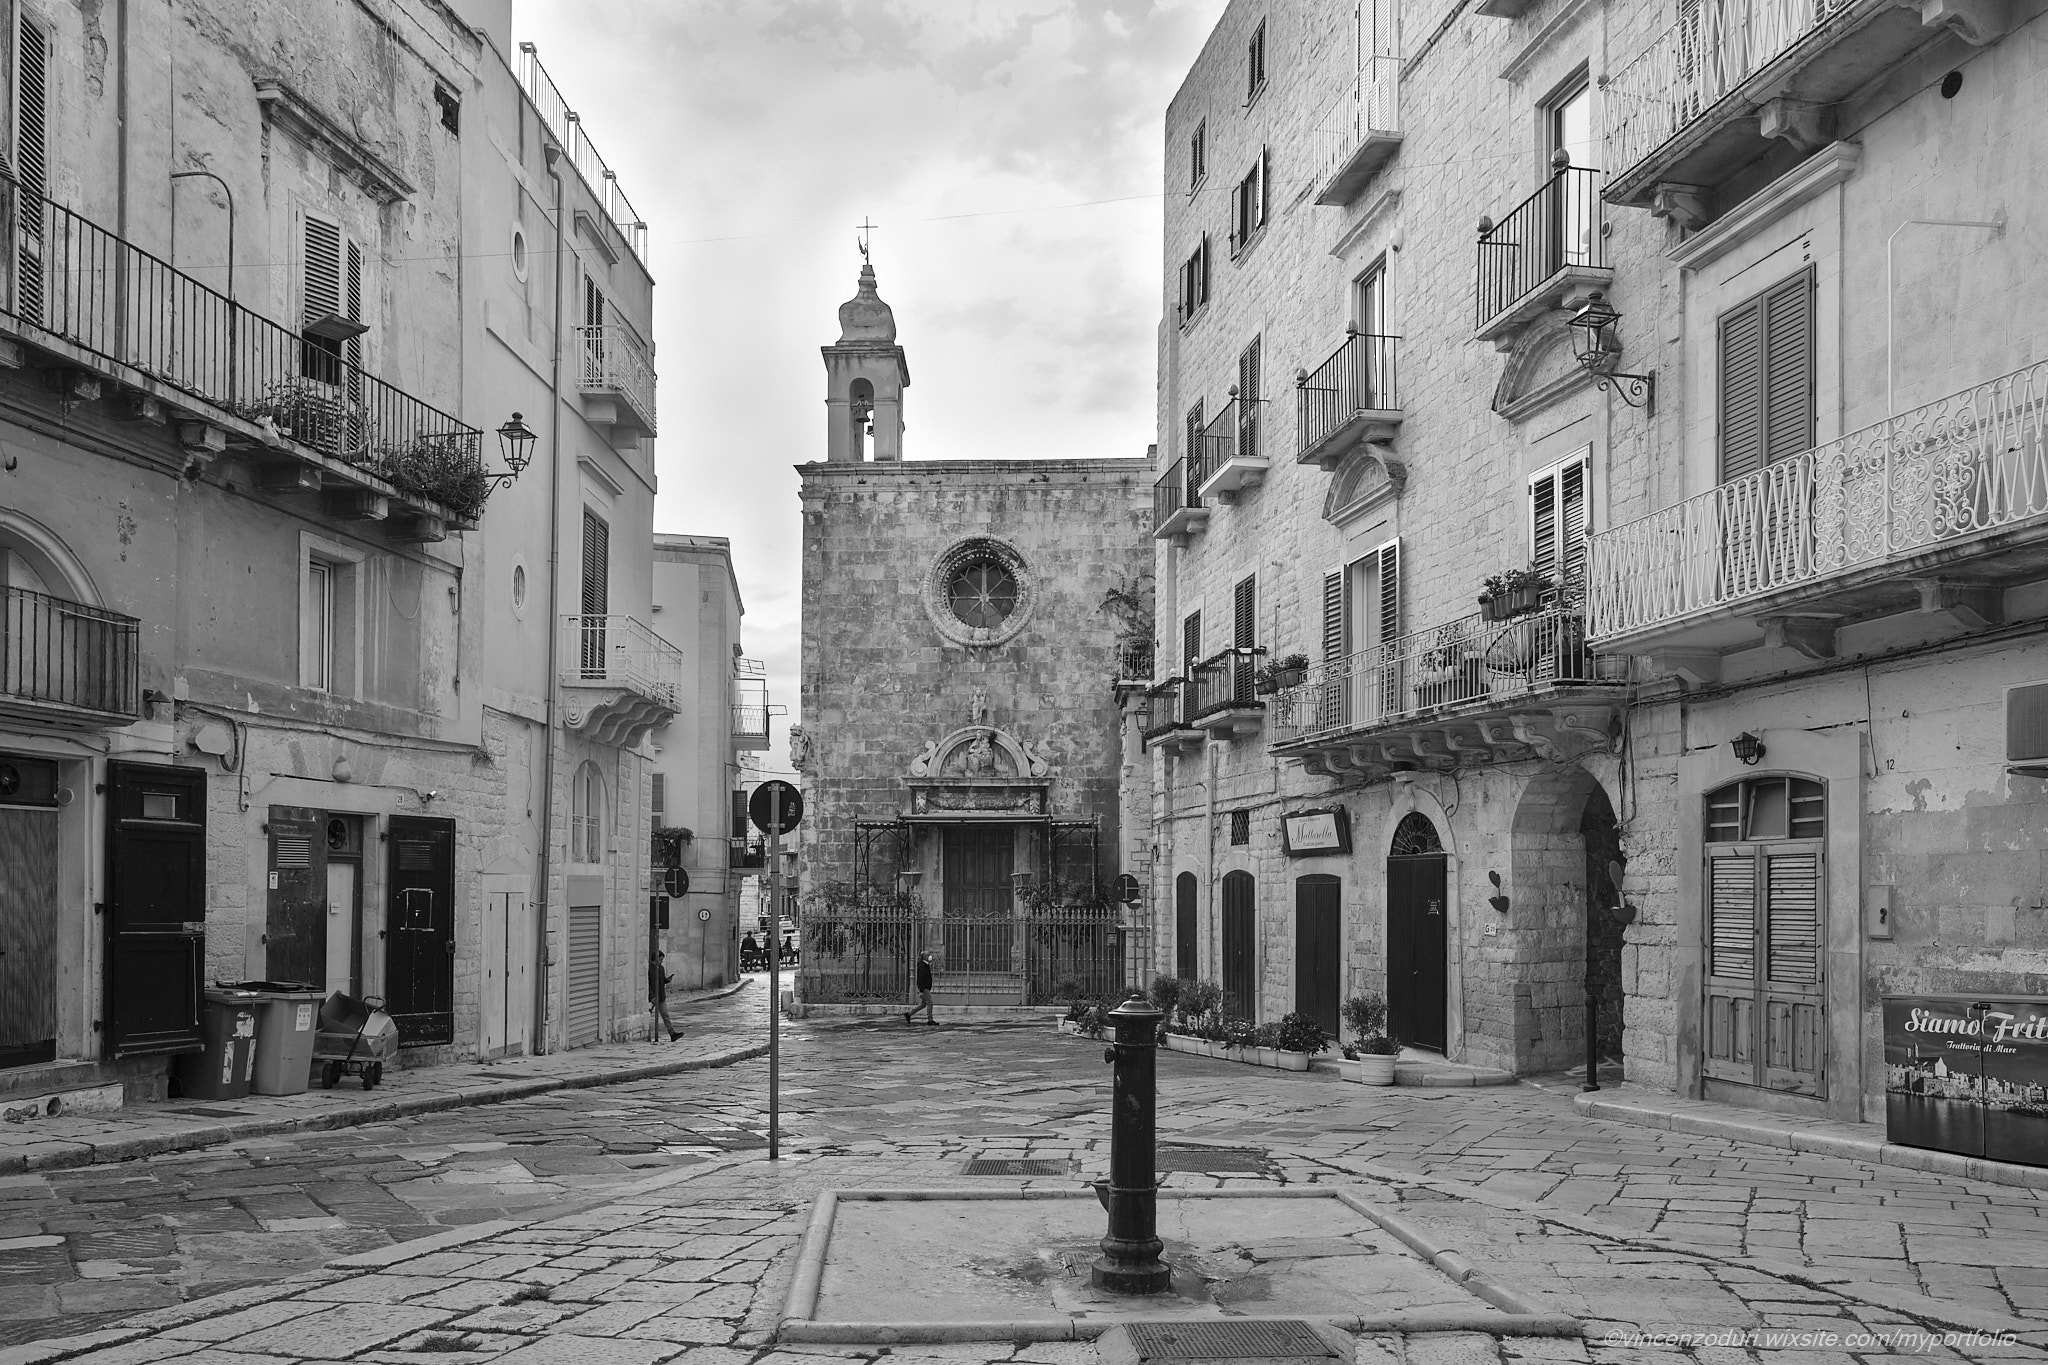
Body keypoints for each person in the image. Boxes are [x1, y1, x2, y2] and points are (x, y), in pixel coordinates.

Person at [649, 948, 681, 1042]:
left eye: (662, 960)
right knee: (648, 1014)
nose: (661, 962)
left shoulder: (661, 968)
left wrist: (668, 980)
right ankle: (645, 1033)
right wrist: (651, 996)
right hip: (652, 997)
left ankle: (672, 1034)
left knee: (665, 1014)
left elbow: (662, 980)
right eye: (660, 959)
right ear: (655, 959)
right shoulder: (649, 969)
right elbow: (647, 983)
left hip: (661, 996)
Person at [904, 951, 936, 1026]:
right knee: (930, 1003)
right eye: (928, 955)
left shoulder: (925, 964)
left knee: (924, 1003)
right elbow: (921, 978)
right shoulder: (922, 965)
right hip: (924, 988)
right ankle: (930, 1020)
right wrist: (921, 990)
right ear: (924, 957)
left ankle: (909, 1014)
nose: (930, 956)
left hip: (925, 987)